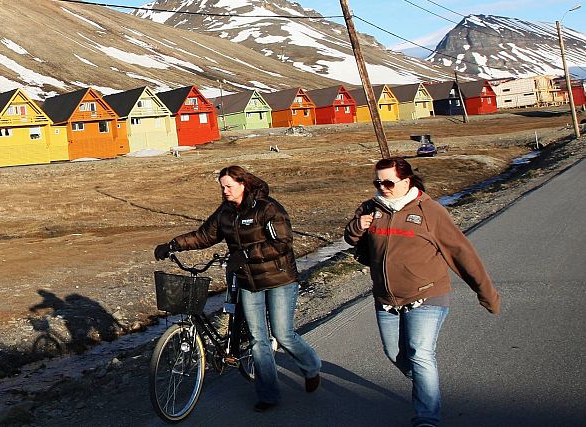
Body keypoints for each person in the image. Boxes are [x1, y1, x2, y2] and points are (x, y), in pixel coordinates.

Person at [344, 157, 501, 427]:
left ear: (406, 181)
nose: (382, 187)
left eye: (388, 182)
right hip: (386, 298)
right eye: (377, 182)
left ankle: (427, 417)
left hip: (428, 294)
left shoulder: (431, 212)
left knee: (420, 353)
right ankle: (427, 385)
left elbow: (462, 253)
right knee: (395, 353)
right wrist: (358, 227)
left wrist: (486, 293)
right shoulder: (372, 208)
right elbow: (351, 238)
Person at [154, 165, 321, 412]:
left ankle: (311, 367)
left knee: (283, 334)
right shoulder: (225, 212)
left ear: (243, 184)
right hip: (247, 282)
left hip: (280, 279)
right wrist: (173, 245)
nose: (225, 191)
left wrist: (246, 254)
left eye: (229, 186)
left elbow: (283, 243)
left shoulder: (268, 208)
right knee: (257, 340)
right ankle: (269, 395)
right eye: (222, 187)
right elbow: (204, 236)